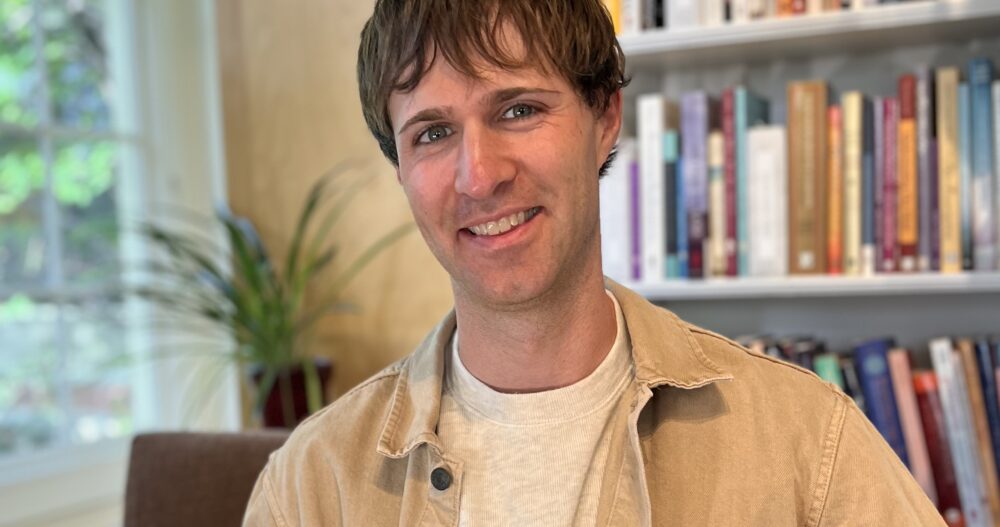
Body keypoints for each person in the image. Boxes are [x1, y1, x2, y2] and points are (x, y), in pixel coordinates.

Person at [244, 1, 946, 525]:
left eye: (518, 110)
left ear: (605, 117)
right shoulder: (311, 486)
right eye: (432, 133)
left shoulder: (806, 444)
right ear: (399, 167)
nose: (478, 176)